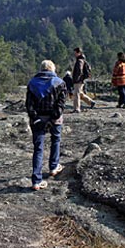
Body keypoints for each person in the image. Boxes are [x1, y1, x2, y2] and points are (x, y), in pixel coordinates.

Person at [25, 60, 67, 190]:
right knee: (56, 140)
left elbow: (29, 105)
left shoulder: (32, 83)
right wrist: (53, 117)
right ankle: (54, 167)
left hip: (37, 119)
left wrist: (35, 118)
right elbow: (61, 104)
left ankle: (36, 181)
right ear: (52, 69)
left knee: (38, 148)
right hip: (55, 119)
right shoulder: (60, 82)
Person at [71, 47, 95, 113]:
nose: (74, 54)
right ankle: (90, 102)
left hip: (78, 80)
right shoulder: (82, 60)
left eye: (75, 52)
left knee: (76, 94)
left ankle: (77, 108)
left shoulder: (79, 61)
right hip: (81, 80)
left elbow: (79, 70)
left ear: (78, 53)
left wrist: (76, 78)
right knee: (80, 93)